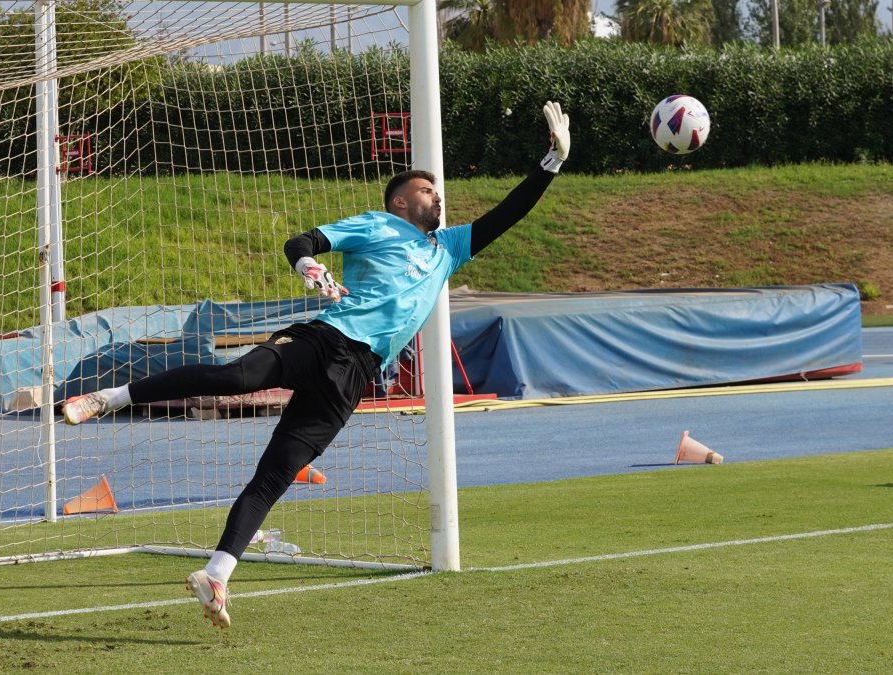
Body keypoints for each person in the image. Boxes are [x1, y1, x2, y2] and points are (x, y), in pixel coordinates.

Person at [60, 101, 571, 629]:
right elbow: (300, 240)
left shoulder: (449, 248)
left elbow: (509, 213)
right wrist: (309, 264)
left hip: (356, 375)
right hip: (328, 338)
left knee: (276, 474)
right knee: (235, 377)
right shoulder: (376, 224)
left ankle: (216, 574)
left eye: (437, 191)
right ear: (400, 201)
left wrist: (551, 161)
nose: (437, 195)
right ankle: (109, 397)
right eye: (426, 189)